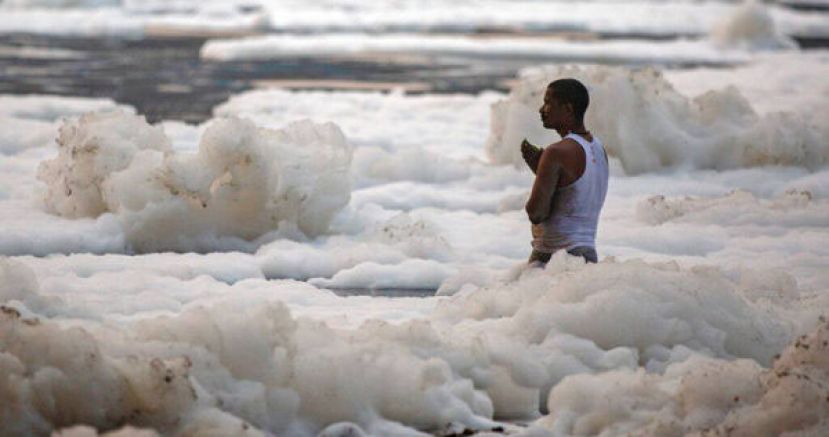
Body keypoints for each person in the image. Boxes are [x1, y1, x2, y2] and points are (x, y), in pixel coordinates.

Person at [521, 78, 608, 265]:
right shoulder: (599, 148)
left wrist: (542, 172)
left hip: (554, 259)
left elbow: (536, 212)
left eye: (548, 103)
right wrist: (543, 172)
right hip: (587, 256)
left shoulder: (556, 152)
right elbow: (577, 194)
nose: (541, 109)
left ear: (568, 109)